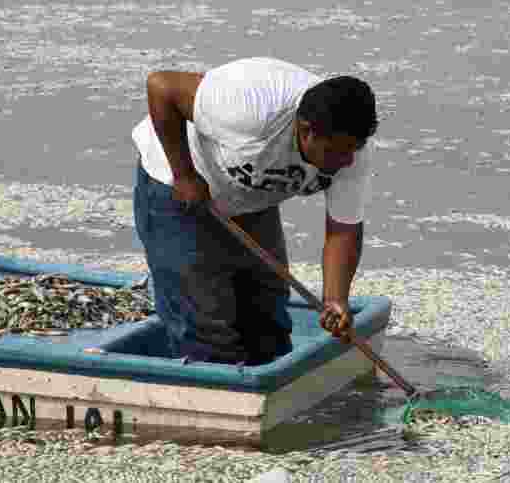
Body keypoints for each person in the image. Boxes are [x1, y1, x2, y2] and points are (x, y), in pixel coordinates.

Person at [131, 56, 378, 365]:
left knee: (267, 311)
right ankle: (215, 394)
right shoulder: (249, 109)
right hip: (179, 189)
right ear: (306, 131)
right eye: (335, 152)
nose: (344, 162)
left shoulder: (352, 152)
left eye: (351, 152)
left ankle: (270, 390)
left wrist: (335, 299)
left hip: (253, 195)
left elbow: (343, 228)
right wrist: (184, 174)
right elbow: (161, 86)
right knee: (205, 322)